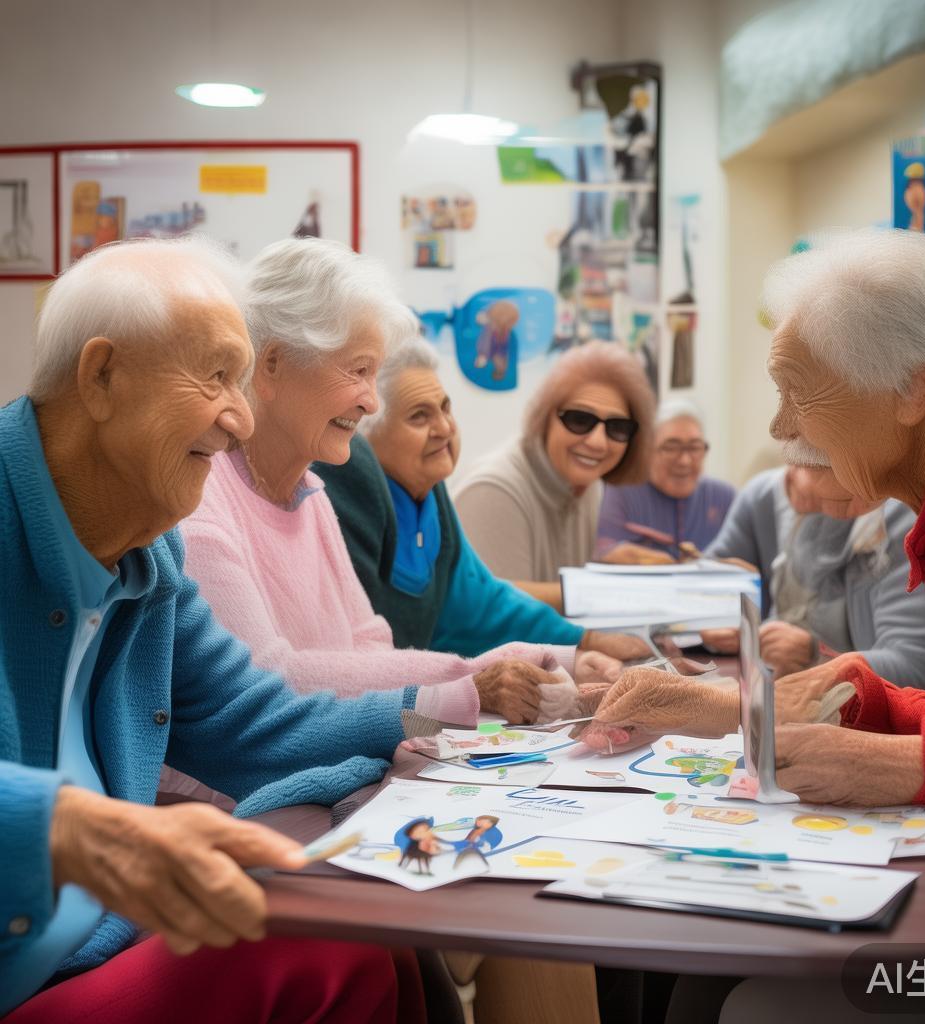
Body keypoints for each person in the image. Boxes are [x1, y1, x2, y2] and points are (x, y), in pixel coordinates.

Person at [0, 238, 421, 1022]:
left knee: (365, 921)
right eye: (217, 376)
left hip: (96, 947)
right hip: (28, 979)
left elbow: (245, 720)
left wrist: (441, 724)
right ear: (102, 376)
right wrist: (72, 828)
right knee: (333, 943)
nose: (239, 417)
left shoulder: (148, 550)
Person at [578, 228, 925, 809]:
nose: (781, 427)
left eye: (797, 391)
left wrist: (901, 763)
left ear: (913, 389)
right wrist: (849, 701)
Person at [181, 239, 616, 727]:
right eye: (359, 370)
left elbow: (368, 642)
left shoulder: (309, 492)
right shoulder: (202, 503)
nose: (371, 402)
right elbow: (270, 676)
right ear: (272, 365)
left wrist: (556, 656)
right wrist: (471, 680)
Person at [314, 335, 649, 661]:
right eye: (419, 416)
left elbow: (483, 601)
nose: (444, 428)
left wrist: (582, 642)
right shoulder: (351, 494)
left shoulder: (431, 493)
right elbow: (356, 652)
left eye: (445, 408)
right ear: (365, 433)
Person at [698, 465, 925, 692]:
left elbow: (920, 671)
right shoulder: (775, 492)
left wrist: (815, 655)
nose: (795, 478)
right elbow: (712, 580)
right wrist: (721, 617)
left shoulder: (903, 518)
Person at [453, 340, 656, 609]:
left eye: (617, 427)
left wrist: (609, 571)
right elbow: (492, 609)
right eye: (579, 420)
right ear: (545, 418)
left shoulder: (588, 485)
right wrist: (606, 589)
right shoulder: (493, 491)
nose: (598, 442)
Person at [596, 399, 735, 563]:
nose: (684, 461)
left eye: (694, 447)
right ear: (647, 450)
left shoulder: (725, 497)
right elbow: (603, 553)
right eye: (671, 447)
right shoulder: (622, 491)